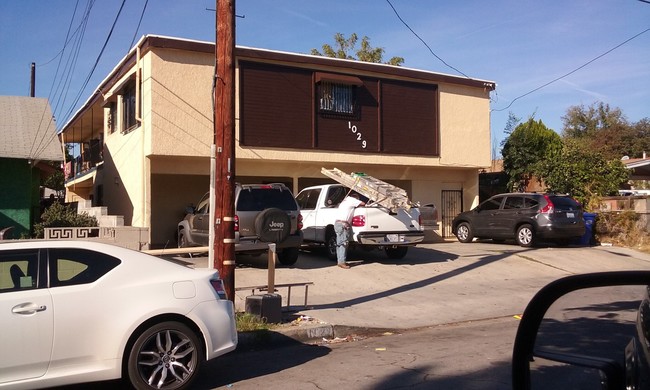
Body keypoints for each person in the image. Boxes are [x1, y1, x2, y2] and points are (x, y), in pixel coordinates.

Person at [334, 192, 365, 269]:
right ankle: (342, 262)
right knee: (344, 243)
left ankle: (340, 261)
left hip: (338, 224)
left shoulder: (345, 201)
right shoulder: (352, 200)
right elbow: (363, 203)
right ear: (355, 198)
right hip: (343, 224)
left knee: (340, 243)